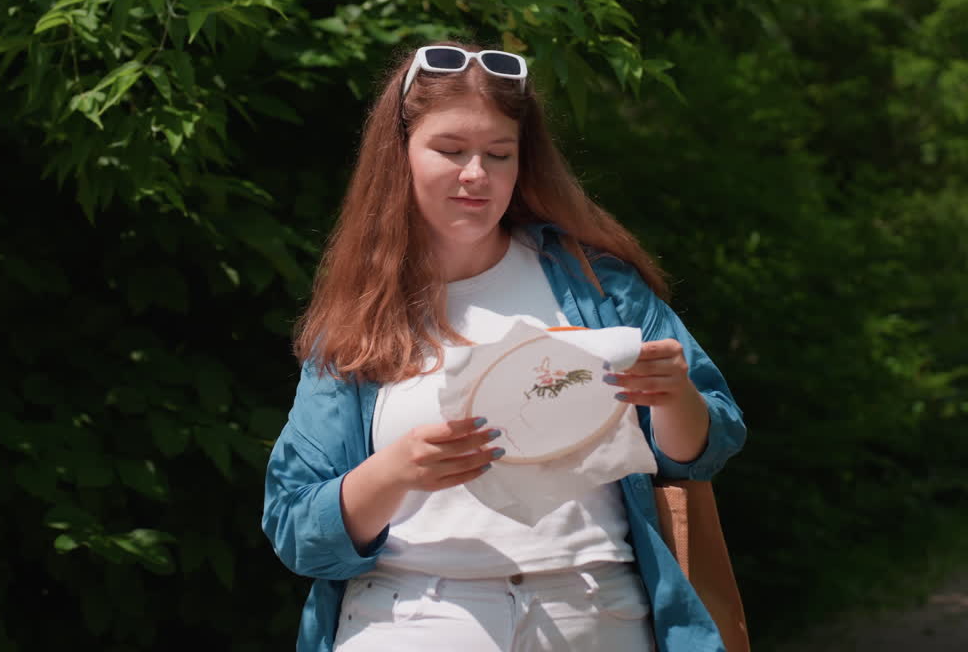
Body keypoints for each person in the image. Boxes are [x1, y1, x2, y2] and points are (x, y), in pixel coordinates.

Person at [262, 41, 747, 652]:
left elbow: (700, 453)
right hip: (413, 620)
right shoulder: (361, 319)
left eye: (498, 154)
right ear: (399, 156)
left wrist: (674, 398)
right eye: (450, 150)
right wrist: (396, 471)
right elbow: (296, 527)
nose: (476, 174)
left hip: (597, 616)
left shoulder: (597, 286)